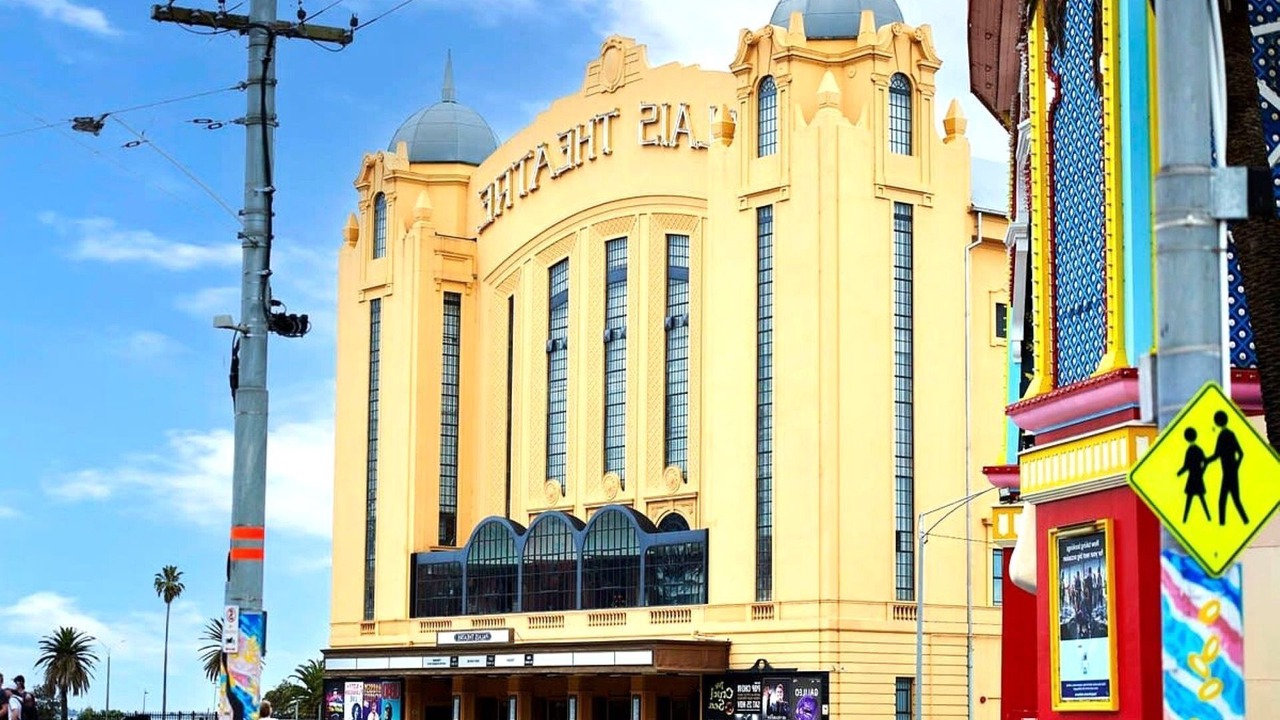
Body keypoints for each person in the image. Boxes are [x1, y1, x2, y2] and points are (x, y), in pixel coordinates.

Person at [1206, 411, 1249, 526]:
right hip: (1230, 472)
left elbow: (1217, 455)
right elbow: (1239, 454)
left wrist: (1206, 461)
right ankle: (1240, 521)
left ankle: (1225, 524)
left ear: (1219, 421)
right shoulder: (1229, 434)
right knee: (1232, 500)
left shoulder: (1224, 435)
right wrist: (1236, 467)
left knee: (1226, 500)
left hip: (1229, 473)